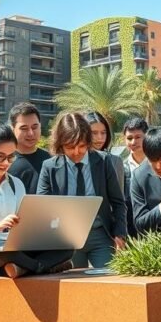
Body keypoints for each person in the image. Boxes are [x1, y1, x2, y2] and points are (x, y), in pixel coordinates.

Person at [0, 121, 74, 278]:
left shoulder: (16, 184)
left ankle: (20, 269)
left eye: (11, 157)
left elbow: (22, 228)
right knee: (7, 255)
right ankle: (41, 267)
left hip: (11, 247)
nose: (5, 163)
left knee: (65, 248)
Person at [37, 112, 128, 269]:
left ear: (88, 142)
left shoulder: (104, 161)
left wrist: (120, 234)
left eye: (82, 146)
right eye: (70, 147)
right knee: (72, 287)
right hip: (66, 239)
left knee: (108, 282)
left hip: (100, 234)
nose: (77, 152)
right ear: (60, 145)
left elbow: (118, 202)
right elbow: (42, 208)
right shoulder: (49, 167)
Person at [6, 103, 51, 194]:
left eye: (35, 127)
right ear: (12, 129)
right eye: (24, 128)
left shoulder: (51, 160)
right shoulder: (3, 162)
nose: (30, 133)